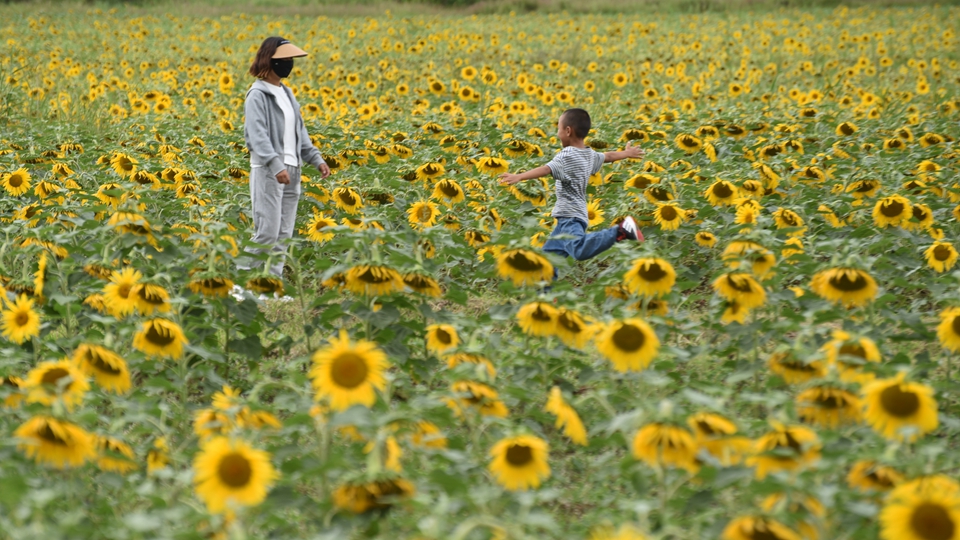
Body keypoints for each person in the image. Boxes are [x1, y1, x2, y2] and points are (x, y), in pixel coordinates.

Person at [498, 108, 643, 275]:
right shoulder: (588, 154)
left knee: (579, 249)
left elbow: (546, 169)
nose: (557, 133)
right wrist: (626, 153)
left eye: (558, 129)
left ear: (568, 131)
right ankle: (543, 289)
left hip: (570, 216)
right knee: (547, 263)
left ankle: (621, 231)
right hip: (572, 215)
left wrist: (519, 176)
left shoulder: (566, 155)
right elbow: (607, 156)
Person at [238, 36, 330, 280]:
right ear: (268, 60)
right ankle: (241, 281)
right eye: (284, 58)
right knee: (267, 232)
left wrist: (316, 159)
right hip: (269, 170)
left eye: (290, 58)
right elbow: (257, 135)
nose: (289, 63)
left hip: (293, 168)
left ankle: (271, 285)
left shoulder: (287, 94)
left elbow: (300, 132)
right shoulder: (257, 95)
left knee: (283, 235)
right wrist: (275, 164)